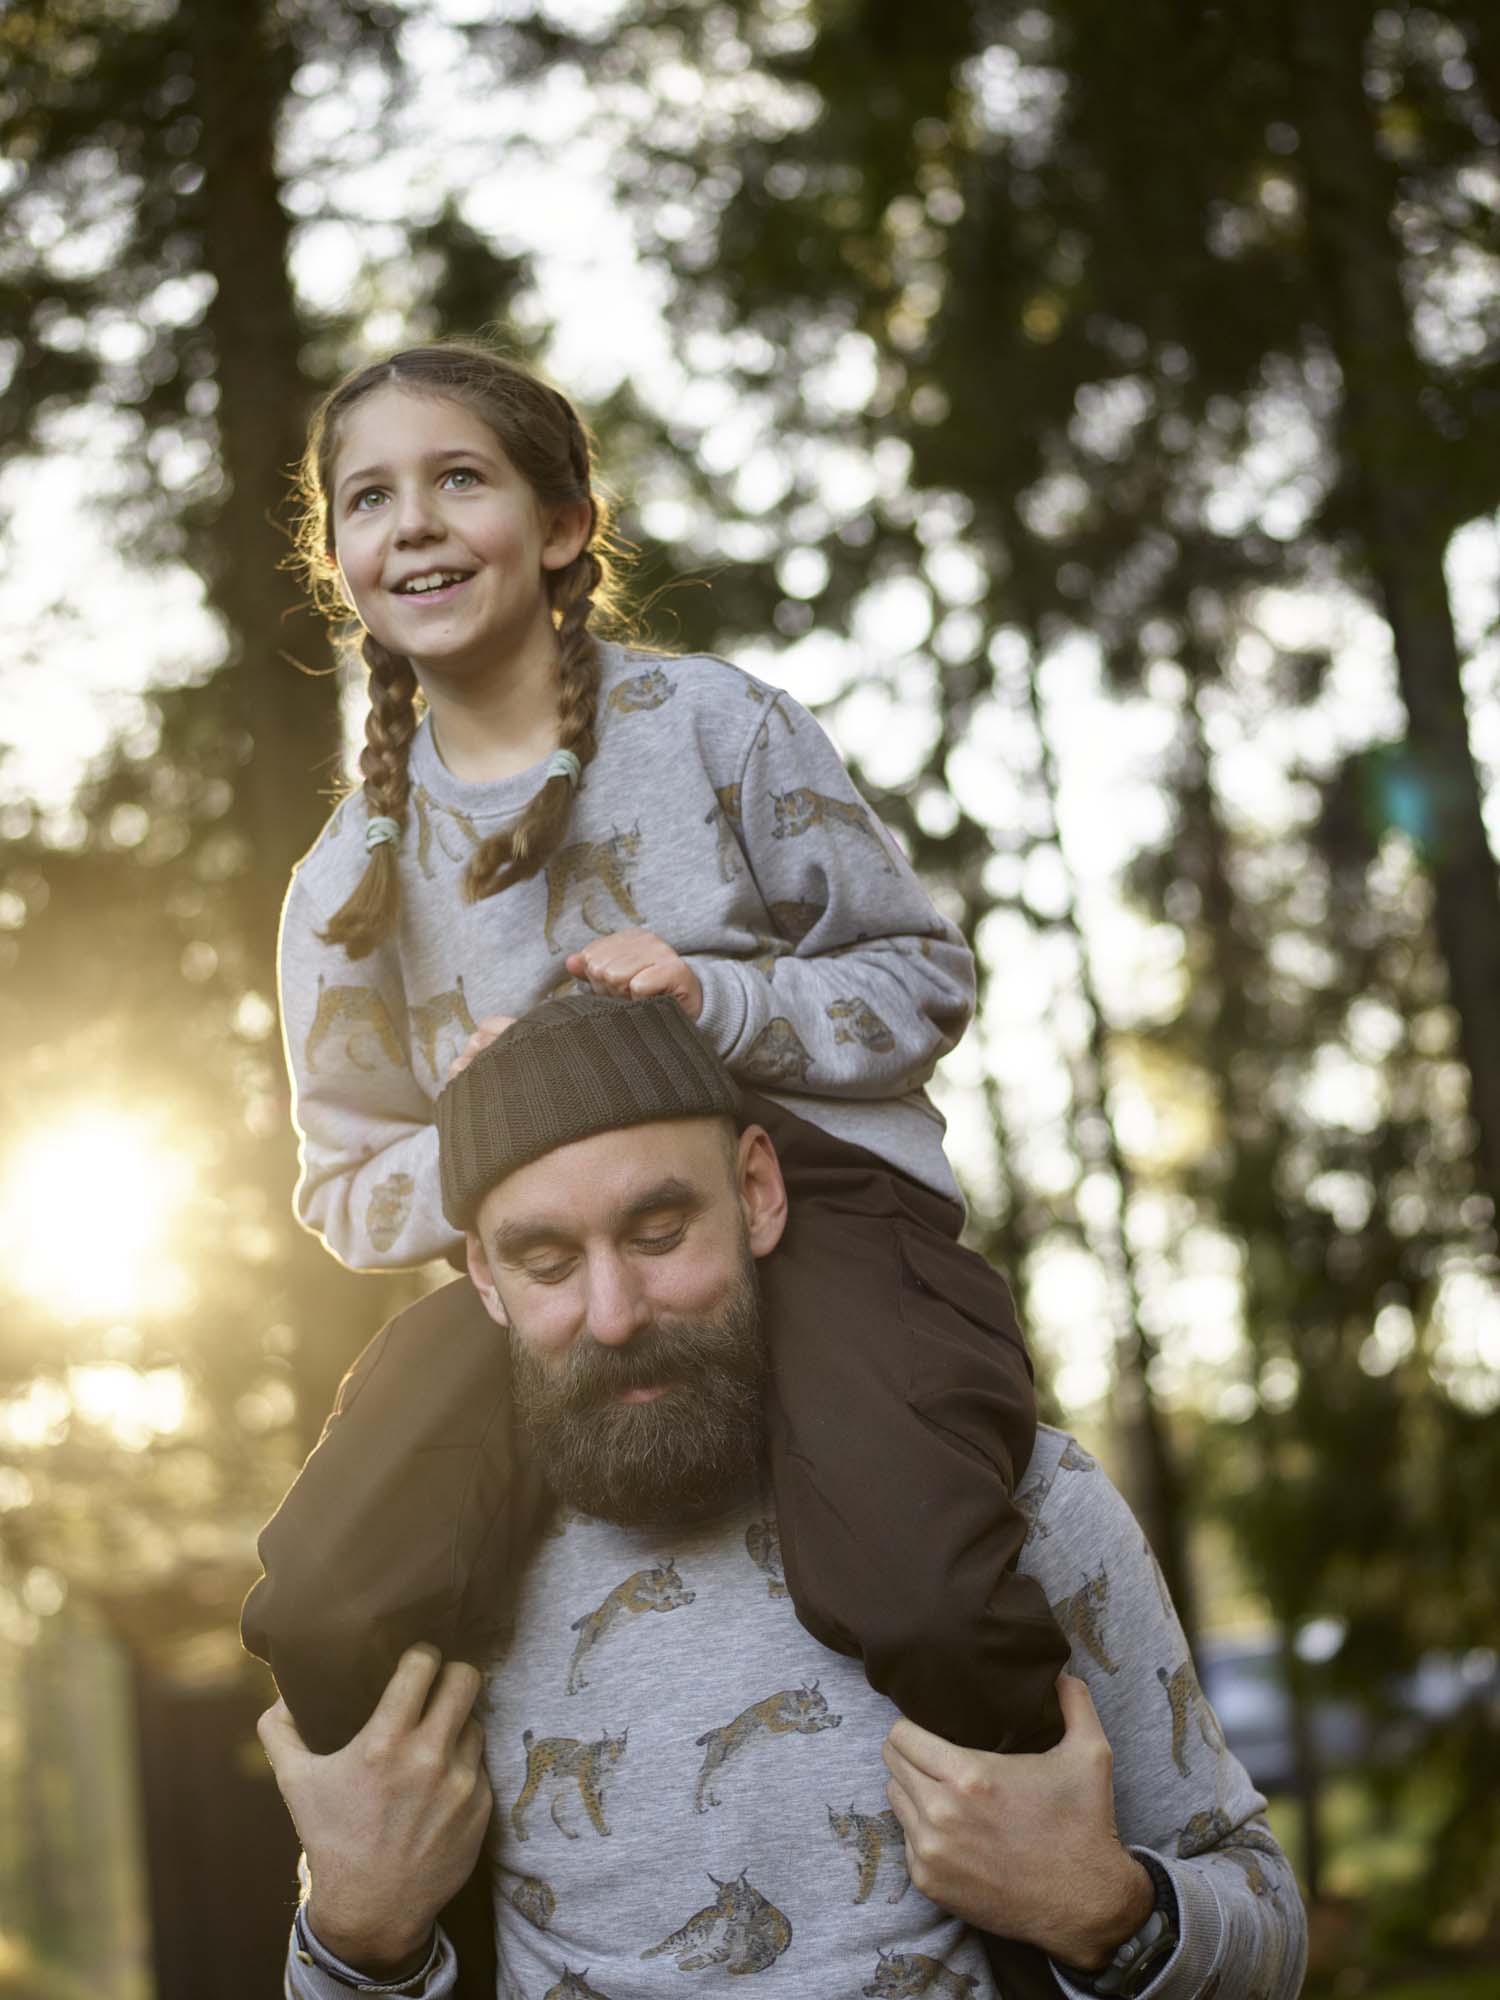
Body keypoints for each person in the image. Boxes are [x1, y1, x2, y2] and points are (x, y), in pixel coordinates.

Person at [253, 337, 1067, 1768]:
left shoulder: (716, 728)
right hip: (539, 1277)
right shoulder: (342, 887)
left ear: (562, 525)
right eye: (370, 500)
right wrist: (483, 1129)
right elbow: (344, 1191)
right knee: (322, 1606)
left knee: (927, 1592)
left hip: (811, 1207)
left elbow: (920, 979)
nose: (417, 523)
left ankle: (1047, 1917)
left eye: (460, 479)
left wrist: (719, 1001)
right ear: (342, 563)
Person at [260, 995, 1308, 2000]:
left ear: (757, 1190)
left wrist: (1109, 1911)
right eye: (546, 1260)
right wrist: (353, 1931)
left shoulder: (1023, 1502)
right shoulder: (443, 1583)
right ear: (483, 1277)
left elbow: (1268, 1931)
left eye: (660, 1231)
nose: (615, 1312)